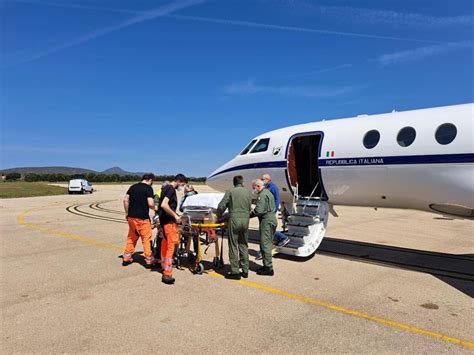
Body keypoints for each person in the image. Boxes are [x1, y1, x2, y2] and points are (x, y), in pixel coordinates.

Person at [217, 175, 252, 280]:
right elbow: (249, 207)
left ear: (234, 183)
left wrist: (218, 215)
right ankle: (245, 270)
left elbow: (222, 206)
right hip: (246, 220)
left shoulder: (230, 191)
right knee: (243, 245)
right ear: (242, 182)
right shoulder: (248, 192)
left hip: (234, 220)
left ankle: (235, 271)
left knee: (233, 245)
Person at [158, 173, 188, 285]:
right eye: (183, 184)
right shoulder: (171, 189)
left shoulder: (165, 188)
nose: (182, 187)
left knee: (165, 244)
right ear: (179, 181)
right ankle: (167, 273)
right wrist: (175, 216)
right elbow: (164, 205)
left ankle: (163, 265)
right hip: (169, 222)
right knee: (171, 246)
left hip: (164, 221)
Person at [122, 173, 158, 267]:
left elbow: (125, 200)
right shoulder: (148, 188)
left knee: (132, 237)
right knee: (146, 239)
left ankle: (126, 257)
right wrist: (156, 208)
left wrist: (127, 213)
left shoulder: (133, 187)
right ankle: (149, 260)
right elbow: (150, 204)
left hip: (131, 217)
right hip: (142, 218)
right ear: (150, 180)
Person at [251, 179, 277, 276]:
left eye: (254, 187)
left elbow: (259, 211)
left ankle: (268, 268)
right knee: (267, 243)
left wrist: (252, 209)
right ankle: (266, 265)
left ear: (258, 186)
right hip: (271, 219)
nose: (254, 190)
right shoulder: (268, 192)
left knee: (265, 244)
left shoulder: (262, 195)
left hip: (266, 221)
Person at [262, 174, 290, 248]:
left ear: (267, 179)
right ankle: (273, 242)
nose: (262, 181)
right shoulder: (267, 187)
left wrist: (274, 209)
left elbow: (277, 199)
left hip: (271, 210)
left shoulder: (273, 187)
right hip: (267, 210)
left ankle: (284, 238)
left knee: (268, 228)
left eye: (263, 179)